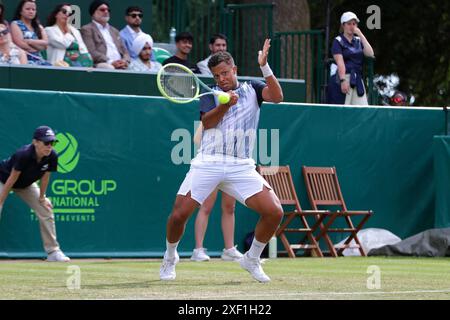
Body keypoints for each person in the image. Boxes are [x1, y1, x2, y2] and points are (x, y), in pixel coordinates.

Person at [160, 39, 284, 283]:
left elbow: (278, 97)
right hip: (209, 162)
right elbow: (207, 123)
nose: (222, 79)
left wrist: (265, 67)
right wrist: (226, 104)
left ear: (234, 70)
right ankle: (170, 257)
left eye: (225, 73)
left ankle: (252, 259)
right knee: (178, 215)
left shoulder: (254, 89)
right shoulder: (210, 94)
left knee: (274, 212)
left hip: (241, 165)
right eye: (217, 75)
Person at [0, 126, 70, 262]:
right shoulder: (23, 154)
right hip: (4, 180)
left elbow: (45, 177)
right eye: (46, 142)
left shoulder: (52, 156)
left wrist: (42, 198)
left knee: (46, 208)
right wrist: (1, 201)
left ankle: (53, 252)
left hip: (26, 185)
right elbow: (12, 178)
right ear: (35, 142)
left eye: (52, 143)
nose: (49, 146)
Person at [190, 123, 243, 262]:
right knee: (206, 207)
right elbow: (196, 139)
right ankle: (198, 250)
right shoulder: (212, 117)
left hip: (231, 166)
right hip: (211, 166)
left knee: (230, 208)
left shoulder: (236, 121)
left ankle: (229, 250)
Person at [327, 11, 375, 105]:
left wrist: (360, 34)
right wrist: (343, 80)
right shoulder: (338, 41)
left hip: (357, 79)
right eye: (349, 24)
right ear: (343, 25)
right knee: (344, 110)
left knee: (362, 109)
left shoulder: (358, 40)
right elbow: (340, 63)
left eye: (354, 24)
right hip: (345, 77)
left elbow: (370, 53)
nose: (352, 26)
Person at [80, 0, 130, 69]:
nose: (106, 12)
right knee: (109, 68)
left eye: (108, 10)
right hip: (102, 64)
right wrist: (110, 62)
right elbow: (91, 51)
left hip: (120, 64)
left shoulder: (115, 31)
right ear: (93, 13)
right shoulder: (87, 29)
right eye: (102, 10)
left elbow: (125, 52)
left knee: (134, 68)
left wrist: (124, 61)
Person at [10, 0, 50, 65]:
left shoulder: (39, 26)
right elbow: (20, 44)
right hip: (24, 59)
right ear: (20, 11)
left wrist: (30, 41)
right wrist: (38, 47)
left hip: (39, 59)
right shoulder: (15, 24)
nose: (31, 11)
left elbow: (45, 44)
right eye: (27, 9)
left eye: (33, 9)